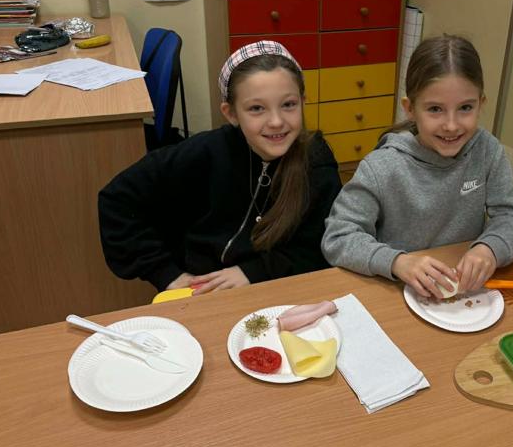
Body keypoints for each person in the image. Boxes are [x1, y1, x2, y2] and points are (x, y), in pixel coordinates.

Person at [99, 41, 342, 294]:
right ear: (231, 113)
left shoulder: (316, 162)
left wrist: (254, 272)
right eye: (256, 108)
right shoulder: (206, 151)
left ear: (303, 102)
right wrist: (166, 274)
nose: (276, 121)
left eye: (288, 104)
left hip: (277, 290)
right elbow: (117, 199)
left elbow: (319, 247)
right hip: (202, 289)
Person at [321, 35, 513, 299]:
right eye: (435, 109)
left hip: (465, 295)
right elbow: (338, 237)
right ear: (410, 109)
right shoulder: (382, 167)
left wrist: (489, 249)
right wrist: (396, 261)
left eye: (465, 108)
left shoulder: (487, 151)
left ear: (481, 104)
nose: (451, 125)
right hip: (396, 293)